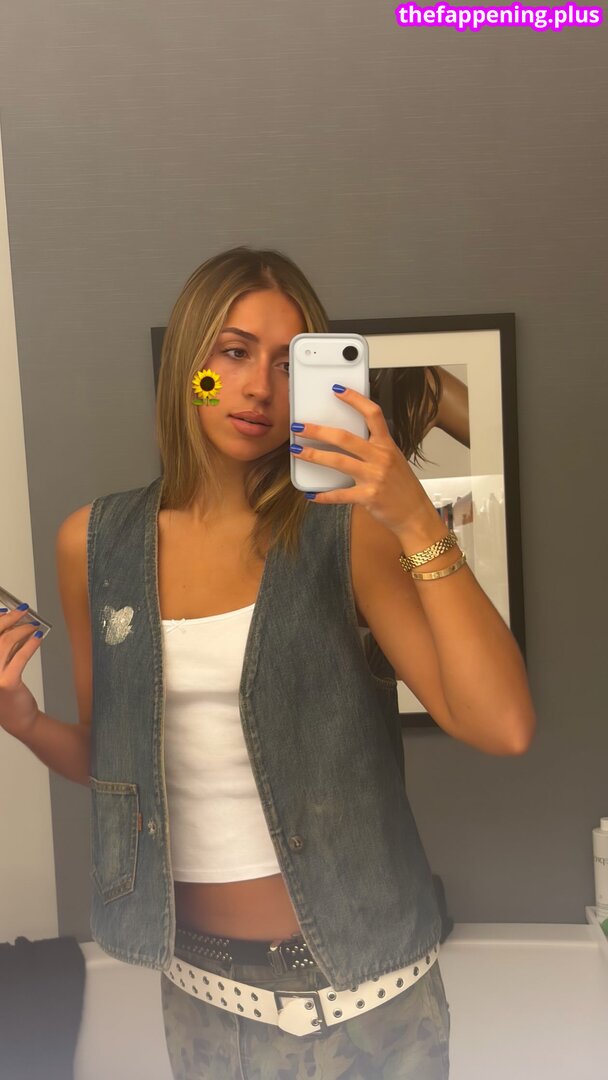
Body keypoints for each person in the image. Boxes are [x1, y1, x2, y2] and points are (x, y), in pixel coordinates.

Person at [0, 246, 536, 1079]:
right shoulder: (96, 544)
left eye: (290, 364)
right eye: (234, 351)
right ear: (190, 368)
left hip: (369, 1000)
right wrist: (26, 723)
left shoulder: (346, 532)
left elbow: (502, 726)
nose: (258, 387)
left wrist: (416, 521)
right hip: (203, 1005)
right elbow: (116, 771)